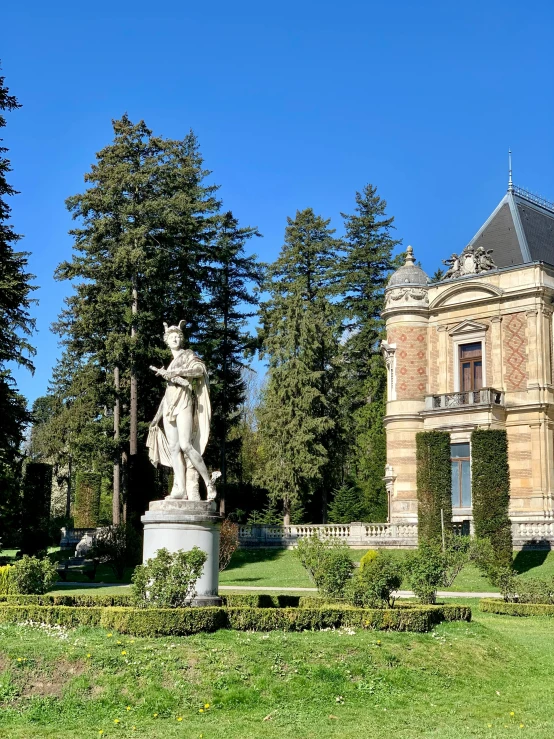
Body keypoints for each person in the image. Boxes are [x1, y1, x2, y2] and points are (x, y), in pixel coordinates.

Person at [147, 321, 219, 500]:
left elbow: (199, 370)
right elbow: (167, 394)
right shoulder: (170, 364)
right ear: (166, 340)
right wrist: (156, 418)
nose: (175, 339)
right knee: (174, 448)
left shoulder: (188, 355)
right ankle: (180, 489)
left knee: (186, 445)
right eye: (171, 337)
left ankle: (208, 483)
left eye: (178, 336)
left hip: (184, 403)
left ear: (182, 339)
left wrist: (178, 372)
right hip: (169, 406)